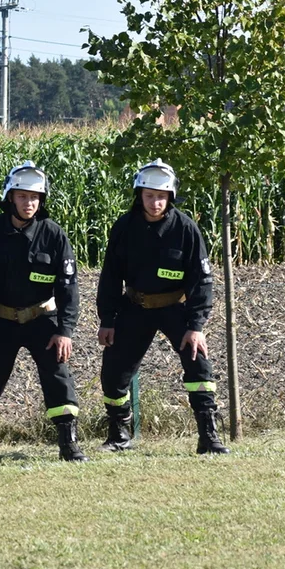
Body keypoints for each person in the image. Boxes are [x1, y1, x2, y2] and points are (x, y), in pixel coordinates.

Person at [97, 158, 229, 455]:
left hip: (175, 309)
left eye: (161, 196)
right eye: (149, 195)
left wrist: (196, 327)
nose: (155, 202)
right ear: (139, 195)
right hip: (135, 307)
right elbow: (110, 277)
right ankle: (119, 434)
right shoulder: (124, 227)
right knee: (114, 372)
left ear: (170, 196)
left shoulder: (186, 229)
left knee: (199, 366)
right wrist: (108, 319)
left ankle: (208, 436)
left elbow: (202, 280)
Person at [0, 161, 87, 462]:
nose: (29, 203)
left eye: (34, 197)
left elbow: (68, 288)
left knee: (58, 377)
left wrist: (64, 331)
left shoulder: (54, 235)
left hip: (42, 319)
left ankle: (68, 443)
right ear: (10, 197)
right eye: (22, 196)